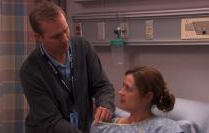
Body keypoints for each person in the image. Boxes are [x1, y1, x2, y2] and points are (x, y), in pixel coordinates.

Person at [19, 2, 115, 133]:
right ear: (38, 37)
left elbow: (103, 86)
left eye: (66, 30)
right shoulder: (30, 71)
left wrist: (105, 105)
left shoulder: (83, 47)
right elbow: (51, 121)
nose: (65, 39)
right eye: (56, 36)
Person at [90, 66, 184, 133]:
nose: (120, 92)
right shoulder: (104, 126)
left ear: (147, 97)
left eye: (128, 88)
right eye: (123, 86)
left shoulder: (166, 128)